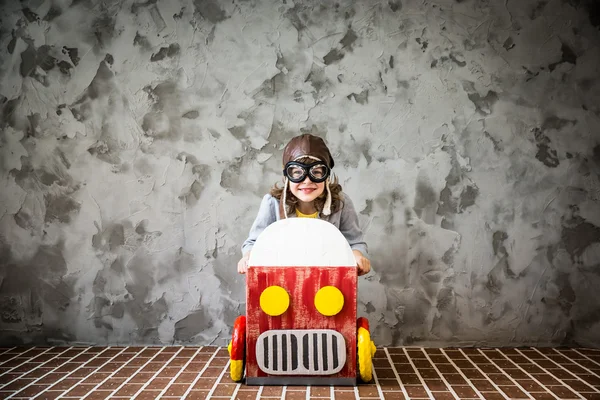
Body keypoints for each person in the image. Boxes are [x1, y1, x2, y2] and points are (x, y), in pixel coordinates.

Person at [237, 133, 371, 276]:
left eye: (317, 172)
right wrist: (247, 257)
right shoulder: (273, 203)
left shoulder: (340, 203)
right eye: (297, 172)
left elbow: (354, 242)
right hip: (282, 278)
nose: (307, 181)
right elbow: (254, 242)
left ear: (326, 176)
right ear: (286, 176)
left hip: (327, 279)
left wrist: (358, 257)